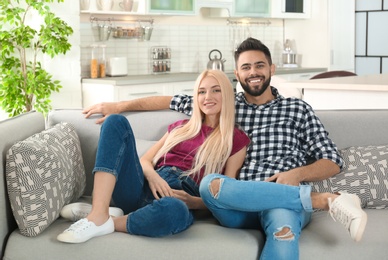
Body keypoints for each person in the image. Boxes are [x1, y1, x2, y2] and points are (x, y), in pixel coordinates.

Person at [82, 38, 367, 259]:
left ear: (272, 69)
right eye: (246, 67)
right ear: (237, 74)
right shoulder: (225, 102)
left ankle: (323, 199)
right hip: (235, 200)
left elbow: (333, 160)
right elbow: (170, 100)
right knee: (211, 184)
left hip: (283, 199)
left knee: (283, 233)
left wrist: (296, 174)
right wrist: (117, 105)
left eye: (259, 65)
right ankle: (324, 200)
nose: (253, 72)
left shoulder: (297, 109)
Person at [57, 69, 251, 243]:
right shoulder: (181, 127)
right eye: (201, 91)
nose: (207, 97)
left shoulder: (235, 140)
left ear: (226, 94)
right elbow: (145, 160)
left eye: (215, 90)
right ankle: (98, 213)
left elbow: (225, 195)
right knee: (115, 121)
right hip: (142, 186)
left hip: (178, 199)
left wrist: (195, 202)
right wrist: (153, 176)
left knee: (176, 212)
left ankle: (109, 221)